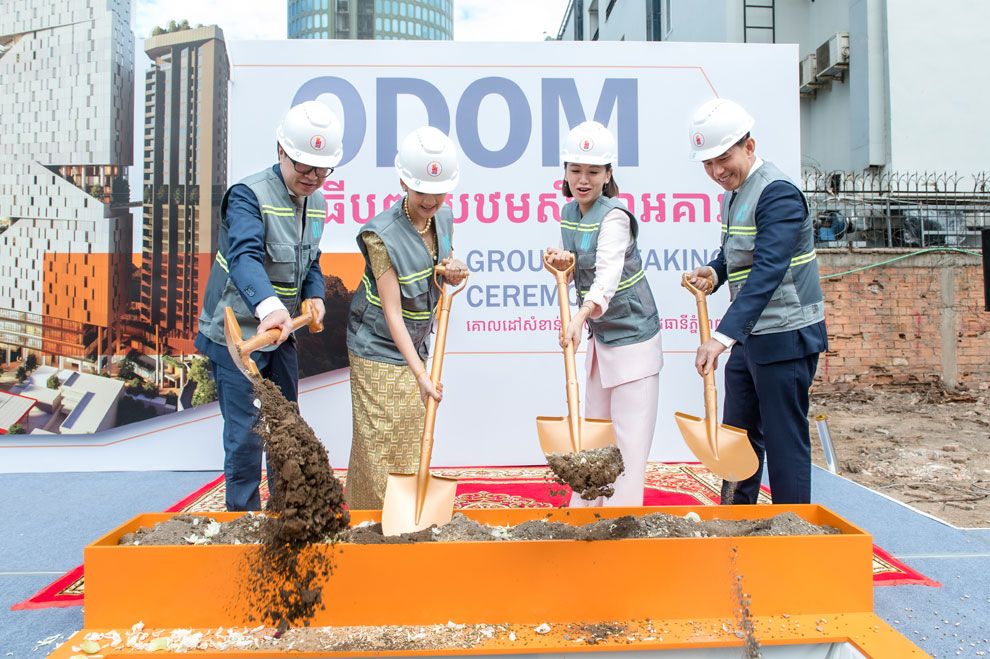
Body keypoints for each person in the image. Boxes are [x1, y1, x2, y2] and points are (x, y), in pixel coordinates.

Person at [194, 100, 343, 512]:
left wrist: (313, 294)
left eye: (322, 169)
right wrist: (268, 307)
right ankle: (243, 518)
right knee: (246, 432)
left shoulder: (318, 203)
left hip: (281, 334)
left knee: (287, 424)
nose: (313, 177)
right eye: (303, 166)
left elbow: (310, 259)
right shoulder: (246, 196)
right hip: (240, 333)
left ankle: (286, 512)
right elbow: (244, 257)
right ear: (281, 150)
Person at [685, 98, 828, 505]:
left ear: (749, 146)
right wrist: (714, 273)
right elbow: (735, 253)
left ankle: (790, 534)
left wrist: (721, 337)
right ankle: (736, 522)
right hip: (751, 338)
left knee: (785, 442)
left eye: (722, 159)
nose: (716, 172)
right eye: (707, 164)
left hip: (785, 335)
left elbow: (768, 270)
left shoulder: (778, 193)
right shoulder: (734, 194)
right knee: (737, 439)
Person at [344, 126, 468, 510]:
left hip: (416, 343)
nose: (431, 200)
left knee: (410, 435)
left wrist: (452, 268)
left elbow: (441, 262)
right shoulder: (379, 236)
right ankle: (373, 524)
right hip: (377, 344)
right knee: (378, 439)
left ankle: (401, 514)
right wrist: (421, 375)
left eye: (439, 190)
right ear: (402, 182)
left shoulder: (443, 217)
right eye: (420, 191)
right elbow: (393, 313)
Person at [544, 120, 663, 507]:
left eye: (593, 171)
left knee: (627, 444)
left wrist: (579, 318)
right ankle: (586, 514)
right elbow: (575, 265)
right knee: (595, 434)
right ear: (564, 171)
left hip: (633, 340)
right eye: (575, 170)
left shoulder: (615, 218)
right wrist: (561, 260)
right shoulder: (568, 213)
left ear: (608, 174)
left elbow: (607, 277)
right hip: (602, 340)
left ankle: (622, 522)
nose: (583, 179)